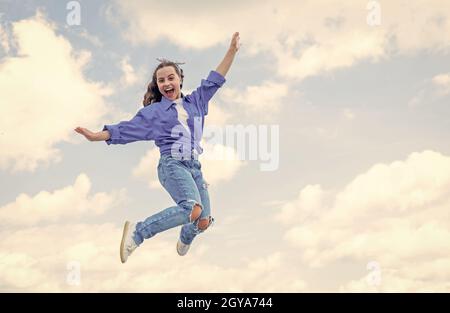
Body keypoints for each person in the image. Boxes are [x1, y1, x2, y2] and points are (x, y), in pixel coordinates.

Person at [75, 32, 240, 263]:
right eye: (161, 81)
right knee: (190, 208)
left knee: (203, 220)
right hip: (172, 164)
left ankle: (186, 235)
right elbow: (125, 129)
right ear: (158, 86)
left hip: (194, 167)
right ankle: (138, 231)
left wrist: (231, 50)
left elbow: (216, 78)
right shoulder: (154, 113)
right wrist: (96, 136)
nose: (166, 83)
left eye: (170, 78)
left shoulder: (196, 101)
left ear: (180, 79)